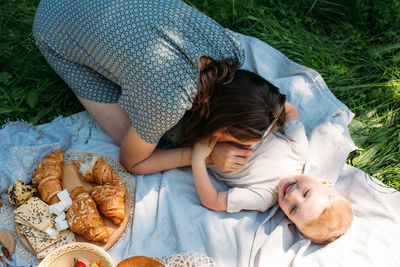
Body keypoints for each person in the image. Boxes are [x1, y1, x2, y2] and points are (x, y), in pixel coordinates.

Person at [32, 0, 284, 174]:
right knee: (147, 141)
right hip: (52, 25)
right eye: (233, 139)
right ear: (219, 125)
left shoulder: (230, 48)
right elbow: (132, 162)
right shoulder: (168, 102)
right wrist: (207, 155)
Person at [191, 100, 353, 244]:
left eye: (293, 209)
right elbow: (289, 111)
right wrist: (271, 115)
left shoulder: (264, 197)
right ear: (323, 182)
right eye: (306, 193)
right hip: (230, 110)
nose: (291, 195)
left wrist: (198, 158)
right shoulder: (298, 151)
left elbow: (214, 201)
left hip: (202, 142)